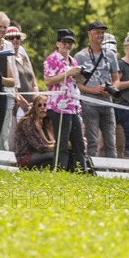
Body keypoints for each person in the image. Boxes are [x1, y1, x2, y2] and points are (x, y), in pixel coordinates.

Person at [74, 21, 120, 158]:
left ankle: (113, 172)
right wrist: (93, 90)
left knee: (111, 142)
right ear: (89, 34)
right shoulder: (80, 56)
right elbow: (77, 84)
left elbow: (116, 79)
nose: (100, 35)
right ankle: (91, 170)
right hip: (89, 104)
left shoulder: (110, 55)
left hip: (107, 103)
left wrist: (112, 88)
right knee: (92, 141)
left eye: (102, 32)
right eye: (97, 32)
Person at [43, 29, 86, 171]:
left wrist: (78, 76)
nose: (67, 46)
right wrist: (67, 73)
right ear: (58, 43)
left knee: (78, 142)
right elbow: (48, 81)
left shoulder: (73, 61)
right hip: (58, 106)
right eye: (65, 42)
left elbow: (76, 83)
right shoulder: (51, 60)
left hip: (73, 106)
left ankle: (82, 171)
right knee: (62, 142)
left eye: (70, 43)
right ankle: (58, 170)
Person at [0, 11, 19, 150]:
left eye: (4, 27)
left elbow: (13, 75)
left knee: (3, 133)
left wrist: (15, 91)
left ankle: (1, 163)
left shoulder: (8, 46)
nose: (2, 30)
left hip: (6, 93)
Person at [5, 26, 38, 126]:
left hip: (30, 107)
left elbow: (33, 83)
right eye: (11, 38)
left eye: (17, 37)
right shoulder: (6, 59)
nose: (15, 40)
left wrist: (35, 100)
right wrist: (19, 101)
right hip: (14, 107)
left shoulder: (25, 58)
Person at [12, 95, 55, 169]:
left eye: (45, 105)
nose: (42, 107)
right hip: (24, 157)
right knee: (56, 154)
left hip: (39, 155)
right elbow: (41, 147)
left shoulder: (46, 122)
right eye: (39, 105)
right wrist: (62, 146)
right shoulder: (28, 122)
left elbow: (51, 142)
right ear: (34, 107)